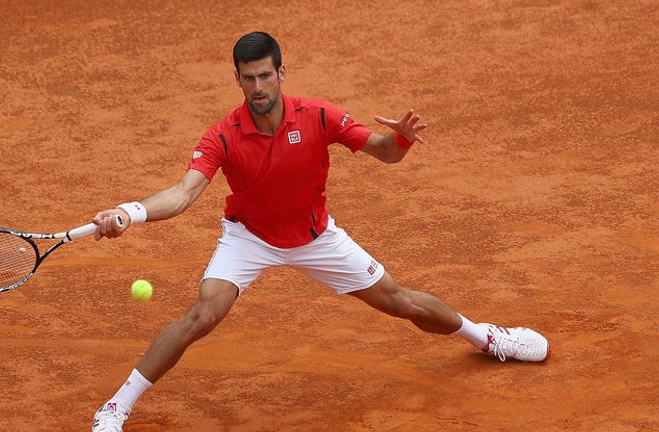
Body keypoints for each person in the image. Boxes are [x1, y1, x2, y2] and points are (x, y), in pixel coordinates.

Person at [89, 31, 550, 432]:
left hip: (315, 237)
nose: (257, 87)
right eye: (248, 78)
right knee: (203, 315)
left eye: (265, 76)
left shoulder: (318, 116)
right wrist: (130, 213)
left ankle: (487, 337)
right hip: (249, 238)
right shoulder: (223, 136)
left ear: (281, 72)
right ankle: (115, 407)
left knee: (399, 301)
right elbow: (183, 192)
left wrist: (403, 137)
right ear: (237, 80)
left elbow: (386, 153)